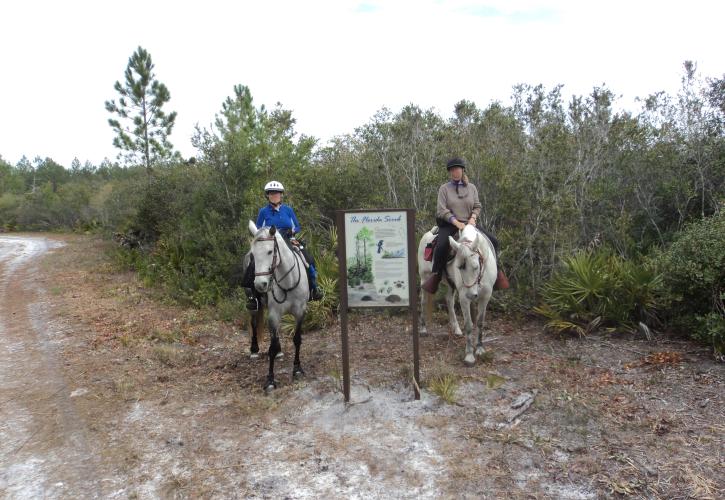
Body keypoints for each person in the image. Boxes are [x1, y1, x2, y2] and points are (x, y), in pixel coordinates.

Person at [421, 157, 509, 294]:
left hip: (469, 224)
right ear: (450, 172)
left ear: (463, 170)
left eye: (457, 169)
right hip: (450, 224)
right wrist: (456, 222)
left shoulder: (472, 187)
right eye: (452, 170)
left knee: (494, 241)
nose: (455, 172)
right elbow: (441, 210)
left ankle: (496, 272)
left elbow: (477, 206)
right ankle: (436, 275)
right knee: (442, 245)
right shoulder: (444, 189)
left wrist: (473, 217)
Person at [243, 180, 323, 310]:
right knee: (253, 262)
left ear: (281, 195)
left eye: (277, 193)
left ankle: (314, 288)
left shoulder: (288, 210)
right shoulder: (263, 212)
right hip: (269, 243)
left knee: (308, 258)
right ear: (267, 196)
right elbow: (258, 231)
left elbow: (297, 226)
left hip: (288, 240)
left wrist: (293, 231)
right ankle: (254, 298)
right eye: (271, 193)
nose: (274, 195)